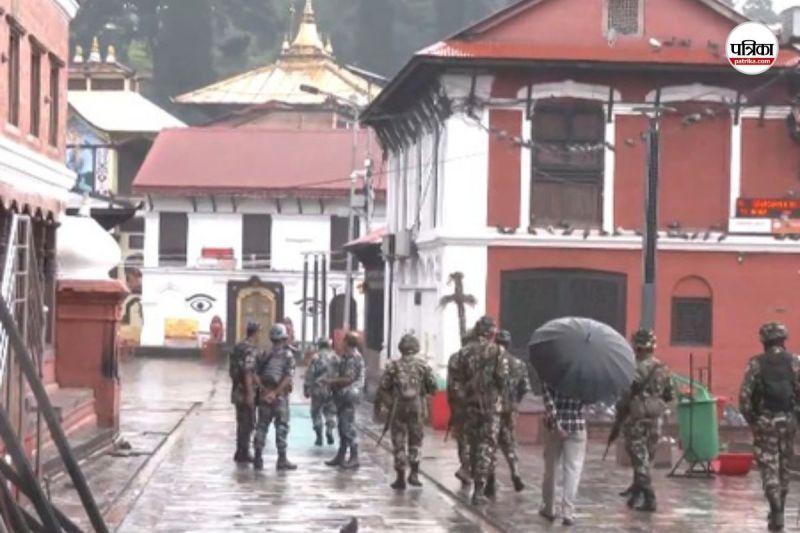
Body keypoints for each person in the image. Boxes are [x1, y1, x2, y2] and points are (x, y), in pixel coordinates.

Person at [739, 322, 800, 532]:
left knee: (768, 466)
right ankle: (779, 511)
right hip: (788, 422)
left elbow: (744, 399)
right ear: (783, 340)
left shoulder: (756, 363)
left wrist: (754, 421)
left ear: (764, 341)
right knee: (784, 466)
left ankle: (775, 505)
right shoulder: (795, 362)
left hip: (766, 422)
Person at [614, 329, 674, 512]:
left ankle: (649, 497)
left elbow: (625, 395)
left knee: (639, 458)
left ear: (636, 346)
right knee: (647, 457)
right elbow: (670, 395)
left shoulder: (633, 369)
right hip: (656, 419)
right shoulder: (663, 369)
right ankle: (637, 492)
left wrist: (620, 410)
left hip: (636, 419)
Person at [374, 334, 437, 490]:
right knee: (416, 441)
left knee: (399, 441)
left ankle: (400, 477)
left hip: (398, 407)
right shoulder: (423, 366)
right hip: (416, 407)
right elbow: (433, 388)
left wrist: (388, 405)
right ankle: (414, 474)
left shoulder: (393, 366)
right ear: (416, 348)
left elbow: (383, 387)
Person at [456, 315, 505, 505]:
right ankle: (479, 490)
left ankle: (469, 472)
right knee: (486, 447)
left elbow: (455, 383)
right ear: (492, 332)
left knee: (473, 445)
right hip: (490, 408)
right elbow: (502, 380)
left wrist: (463, 401)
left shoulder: (463, 353)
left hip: (469, 407)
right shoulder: (498, 352)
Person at [539, 384, 587, 527]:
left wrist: (557, 423)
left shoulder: (552, 373)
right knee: (573, 470)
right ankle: (568, 512)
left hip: (555, 428)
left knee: (551, 469)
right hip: (577, 427)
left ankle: (549, 508)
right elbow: (587, 402)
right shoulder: (583, 377)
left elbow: (548, 401)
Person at [252, 323, 298, 471]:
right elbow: (287, 377)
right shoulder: (288, 355)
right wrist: (276, 393)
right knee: (281, 427)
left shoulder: (264, 354)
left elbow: (255, 374)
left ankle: (258, 457)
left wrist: (265, 392)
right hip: (280, 397)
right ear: (284, 338)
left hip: (265, 396)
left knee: (262, 426)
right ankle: (282, 459)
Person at [494, 330, 530, 493]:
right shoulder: (519, 364)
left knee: (490, 445)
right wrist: (515, 402)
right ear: (509, 344)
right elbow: (525, 388)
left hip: (492, 410)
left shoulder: (491, 363)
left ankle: (490, 478)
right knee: (509, 443)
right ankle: (515, 471)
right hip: (510, 410)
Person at [323, 331, 365, 469]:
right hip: (344, 395)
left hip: (349, 395)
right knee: (342, 426)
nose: (341, 343)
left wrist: (330, 381)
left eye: (343, 340)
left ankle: (354, 456)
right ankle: (341, 455)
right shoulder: (348, 356)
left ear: (347, 342)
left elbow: (348, 378)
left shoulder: (353, 357)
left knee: (348, 426)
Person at [229, 322, 261, 463]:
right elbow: (248, 371)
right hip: (245, 390)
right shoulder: (251, 349)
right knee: (248, 422)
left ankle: (240, 451)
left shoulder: (238, 346)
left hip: (236, 389)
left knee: (241, 421)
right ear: (255, 333)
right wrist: (250, 394)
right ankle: (244, 452)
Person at [447, 333, 472, 485]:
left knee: (463, 439)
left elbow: (452, 386)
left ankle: (465, 466)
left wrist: (453, 406)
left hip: (460, 406)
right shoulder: (482, 356)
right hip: (477, 405)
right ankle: (471, 469)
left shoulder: (455, 358)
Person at [304, 337, 339, 446]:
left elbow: (310, 374)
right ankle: (329, 429)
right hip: (331, 388)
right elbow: (340, 373)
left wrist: (306, 388)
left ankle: (319, 436)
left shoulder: (315, 357)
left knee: (316, 413)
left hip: (318, 389)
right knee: (330, 412)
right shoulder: (335, 357)